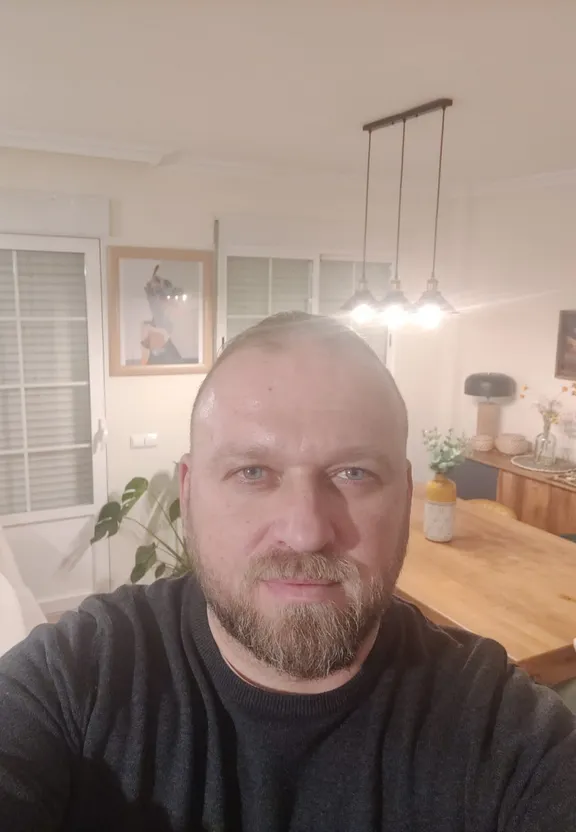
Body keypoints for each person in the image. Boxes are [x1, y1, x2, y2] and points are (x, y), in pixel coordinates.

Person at [0, 311, 574, 832]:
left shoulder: (503, 730)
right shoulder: (74, 681)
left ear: (405, 498)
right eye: (252, 472)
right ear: (190, 493)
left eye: (353, 473)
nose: (305, 531)